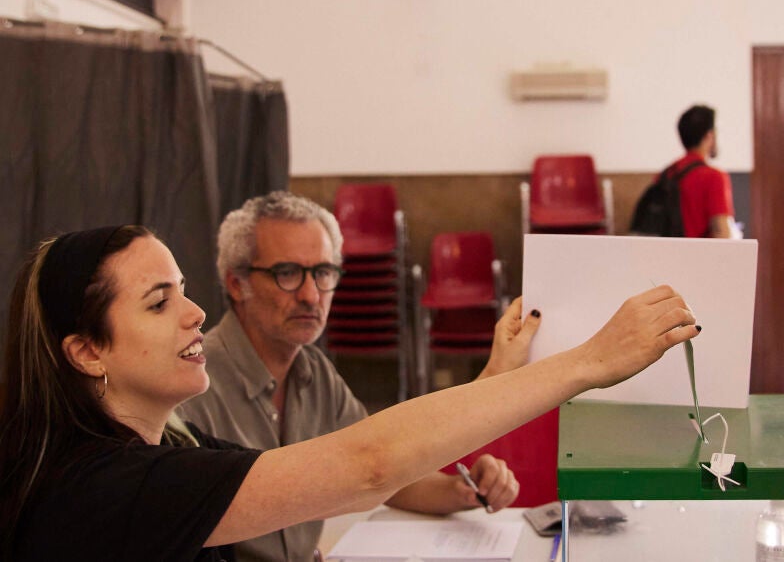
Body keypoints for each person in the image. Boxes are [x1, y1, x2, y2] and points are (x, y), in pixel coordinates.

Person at [0, 225, 698, 560]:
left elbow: (348, 478)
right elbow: (367, 464)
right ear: (87, 350)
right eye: (159, 303)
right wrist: (589, 362)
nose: (194, 313)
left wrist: (498, 378)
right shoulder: (105, 486)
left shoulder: (171, 441)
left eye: (183, 290)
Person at [176, 192, 538, 562]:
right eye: (287, 273)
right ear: (237, 283)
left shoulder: (315, 372)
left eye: (323, 273)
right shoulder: (192, 385)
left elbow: (386, 473)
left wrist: (461, 490)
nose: (311, 295)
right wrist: (495, 375)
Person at [669, 104, 737, 238]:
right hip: (701, 251)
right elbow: (721, 232)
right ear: (709, 135)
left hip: (667, 250)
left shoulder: (667, 174)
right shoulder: (714, 177)